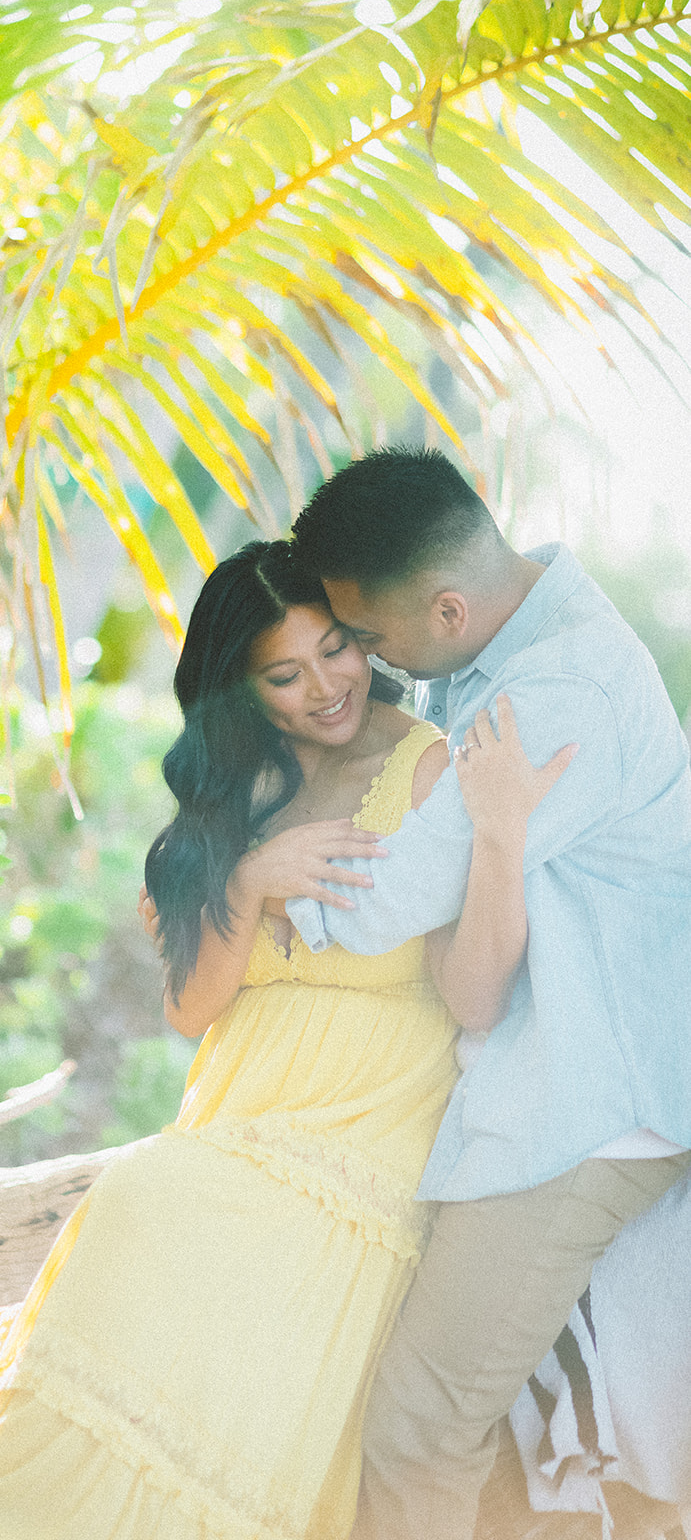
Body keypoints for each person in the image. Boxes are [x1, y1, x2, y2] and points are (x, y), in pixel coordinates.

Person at [0, 538, 569, 1540]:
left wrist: (497, 835)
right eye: (285, 672)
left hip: (362, 1139)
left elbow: (476, 995)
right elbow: (190, 1008)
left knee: (159, 1199)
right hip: (238, 1118)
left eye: (335, 650)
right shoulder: (236, 795)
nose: (325, 686)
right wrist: (245, 880)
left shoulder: (424, 764)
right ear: (239, 687)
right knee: (146, 1195)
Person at [287, 446, 691, 1540]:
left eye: (367, 640)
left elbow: (371, 901)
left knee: (420, 1419)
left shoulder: (554, 696)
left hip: (587, 1108)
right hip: (561, 1070)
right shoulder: (530, 647)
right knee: (510, 1439)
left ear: (450, 607)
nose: (367, 668)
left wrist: (250, 879)